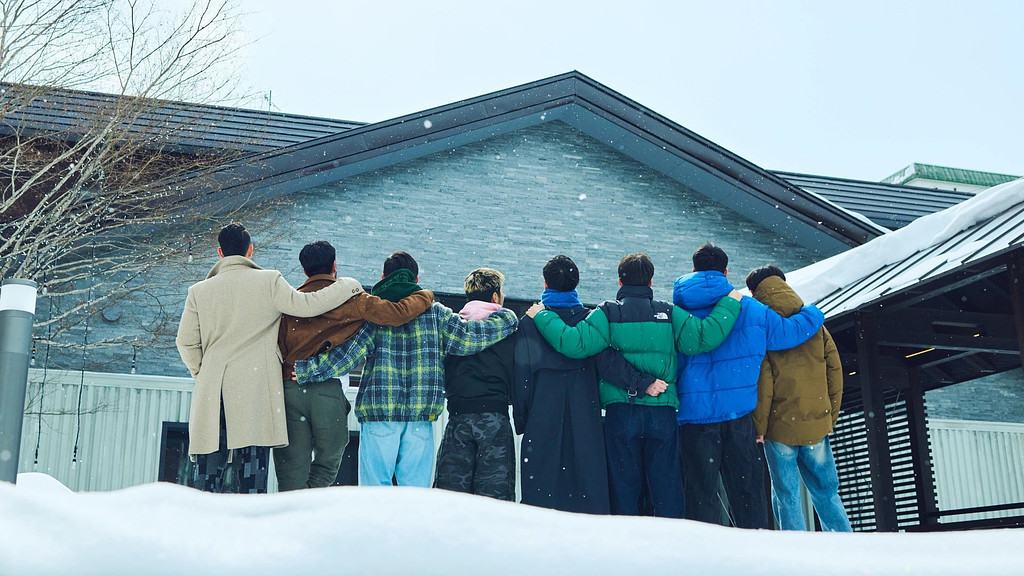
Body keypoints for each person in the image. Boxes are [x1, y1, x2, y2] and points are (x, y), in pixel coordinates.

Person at [525, 253, 742, 518]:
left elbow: (574, 343)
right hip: (661, 412)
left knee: (624, 486)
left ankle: (625, 545)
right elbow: (703, 337)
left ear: (619, 280)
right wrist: (730, 303)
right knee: (666, 485)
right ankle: (669, 541)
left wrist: (542, 316)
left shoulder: (608, 312)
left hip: (621, 411)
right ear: (651, 282)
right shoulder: (668, 312)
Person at [293, 251, 518, 488]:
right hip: (419, 415)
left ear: (383, 276)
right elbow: (469, 338)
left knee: (374, 491)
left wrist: (308, 370)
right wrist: (508, 320)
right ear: (417, 280)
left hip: (380, 413)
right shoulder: (436, 314)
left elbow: (348, 355)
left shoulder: (375, 314)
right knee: (415, 495)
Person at [175, 223, 364, 493]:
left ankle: (205, 529)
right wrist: (348, 286)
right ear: (250, 250)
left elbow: (185, 342)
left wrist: (203, 374)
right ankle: (252, 529)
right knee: (251, 475)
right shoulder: (269, 281)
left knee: (208, 476)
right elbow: (307, 306)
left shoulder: (199, 291)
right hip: (256, 390)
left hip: (212, 389)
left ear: (220, 252)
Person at [673, 243, 824, 528]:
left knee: (700, 492)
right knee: (747, 490)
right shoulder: (750, 308)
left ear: (693, 269)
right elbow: (787, 334)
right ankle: (757, 552)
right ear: (726, 271)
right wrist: (814, 313)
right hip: (739, 415)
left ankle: (704, 556)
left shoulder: (677, 311)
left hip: (693, 415)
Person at [275, 240, 434, 491]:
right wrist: (425, 296)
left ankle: (292, 507)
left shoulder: (288, 304)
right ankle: (312, 498)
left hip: (287, 388)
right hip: (327, 389)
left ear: (304, 270)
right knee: (330, 457)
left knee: (290, 464)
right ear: (335, 266)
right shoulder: (353, 299)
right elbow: (396, 313)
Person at [513, 255, 647, 514]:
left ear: (545, 283)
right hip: (584, 401)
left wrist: (523, 417)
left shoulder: (531, 321)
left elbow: (522, 375)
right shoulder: (589, 319)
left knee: (541, 481)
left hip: (543, 404)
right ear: (576, 285)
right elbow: (607, 364)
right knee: (587, 476)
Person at [747, 265, 852, 532]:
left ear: (754, 291)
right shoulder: (814, 324)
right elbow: (835, 372)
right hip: (816, 422)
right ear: (783, 282)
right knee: (826, 490)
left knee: (786, 493)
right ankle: (845, 540)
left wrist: (759, 427)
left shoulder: (762, 327)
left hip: (779, 426)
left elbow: (764, 383)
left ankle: (796, 547)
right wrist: (830, 415)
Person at [433, 268, 517, 501]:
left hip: (458, 418)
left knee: (450, 499)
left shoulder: (451, 329)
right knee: (495, 500)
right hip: (495, 420)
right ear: (494, 297)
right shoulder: (508, 330)